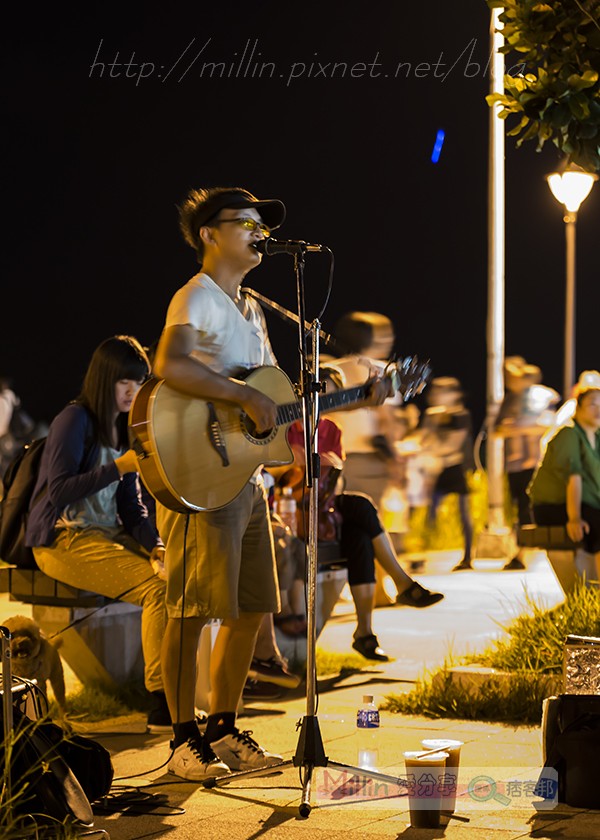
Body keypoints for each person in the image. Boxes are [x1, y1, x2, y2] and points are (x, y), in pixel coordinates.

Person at [150, 186, 394, 781]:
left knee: (250, 607)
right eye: (247, 223)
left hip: (243, 477)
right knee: (191, 610)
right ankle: (183, 741)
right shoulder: (198, 297)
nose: (260, 233)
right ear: (209, 234)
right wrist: (240, 395)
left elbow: (271, 407)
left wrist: (354, 401)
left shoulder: (254, 306)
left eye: (264, 226)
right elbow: (169, 364)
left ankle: (223, 727)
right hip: (196, 473)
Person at [24, 336, 170, 732]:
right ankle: (162, 701)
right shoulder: (75, 420)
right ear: (105, 378)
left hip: (103, 537)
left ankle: (176, 691)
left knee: (177, 574)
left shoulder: (124, 429)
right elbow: (59, 490)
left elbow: (131, 506)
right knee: (156, 590)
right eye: (125, 381)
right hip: (62, 540)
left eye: (139, 382)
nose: (133, 391)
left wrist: (154, 543)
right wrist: (118, 468)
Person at [267, 417, 444, 662]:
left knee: (359, 536)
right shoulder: (281, 430)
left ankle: (366, 631)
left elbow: (335, 478)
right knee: (361, 506)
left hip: (324, 508)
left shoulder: (330, 429)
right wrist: (291, 462)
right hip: (292, 510)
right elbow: (272, 475)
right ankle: (397, 590)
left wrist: (314, 462)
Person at [320, 311, 415, 605]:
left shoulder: (332, 370)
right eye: (384, 335)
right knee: (373, 523)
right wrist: (396, 458)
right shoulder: (381, 370)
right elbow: (387, 420)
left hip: (333, 458)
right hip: (368, 459)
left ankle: (363, 588)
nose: (389, 341)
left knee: (342, 523)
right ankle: (379, 590)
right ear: (372, 340)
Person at [527, 376, 600, 583]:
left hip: (582, 504)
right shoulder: (569, 434)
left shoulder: (596, 436)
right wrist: (574, 518)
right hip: (553, 507)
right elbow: (573, 479)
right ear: (578, 407)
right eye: (592, 404)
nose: (598, 410)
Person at [494, 357, 559, 570]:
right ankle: (523, 551)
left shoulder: (541, 395)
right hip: (515, 464)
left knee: (530, 508)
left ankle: (525, 553)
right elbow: (497, 429)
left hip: (536, 462)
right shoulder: (509, 400)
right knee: (519, 508)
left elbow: (549, 424)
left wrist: (517, 428)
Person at [419, 376, 476, 572]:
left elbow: (453, 444)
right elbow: (423, 438)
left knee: (464, 515)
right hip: (436, 469)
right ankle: (421, 553)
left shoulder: (460, 415)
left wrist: (431, 448)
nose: (435, 396)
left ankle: (468, 557)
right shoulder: (431, 415)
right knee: (428, 512)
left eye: (441, 392)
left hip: (455, 467)